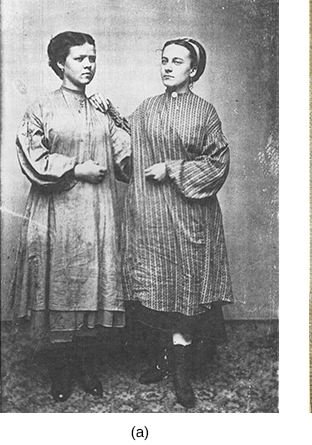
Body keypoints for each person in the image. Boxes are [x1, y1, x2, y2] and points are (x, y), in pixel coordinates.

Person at [98, 37, 233, 408]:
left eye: (177, 62)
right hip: (153, 218)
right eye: (164, 60)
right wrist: (109, 112)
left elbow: (217, 164)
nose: (168, 67)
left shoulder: (205, 112)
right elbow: (132, 136)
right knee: (160, 291)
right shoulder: (147, 107)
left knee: (185, 293)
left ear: (193, 70)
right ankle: (164, 360)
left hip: (190, 217)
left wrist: (173, 168)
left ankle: (181, 373)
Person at [10, 31, 130, 402]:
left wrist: (115, 115)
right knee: (61, 283)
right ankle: (60, 374)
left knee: (91, 286)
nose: (89, 65)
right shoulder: (42, 108)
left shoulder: (100, 109)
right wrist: (75, 169)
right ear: (61, 63)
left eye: (92, 58)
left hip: (97, 213)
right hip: (57, 212)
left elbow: (126, 156)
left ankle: (86, 366)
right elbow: (31, 153)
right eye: (80, 59)